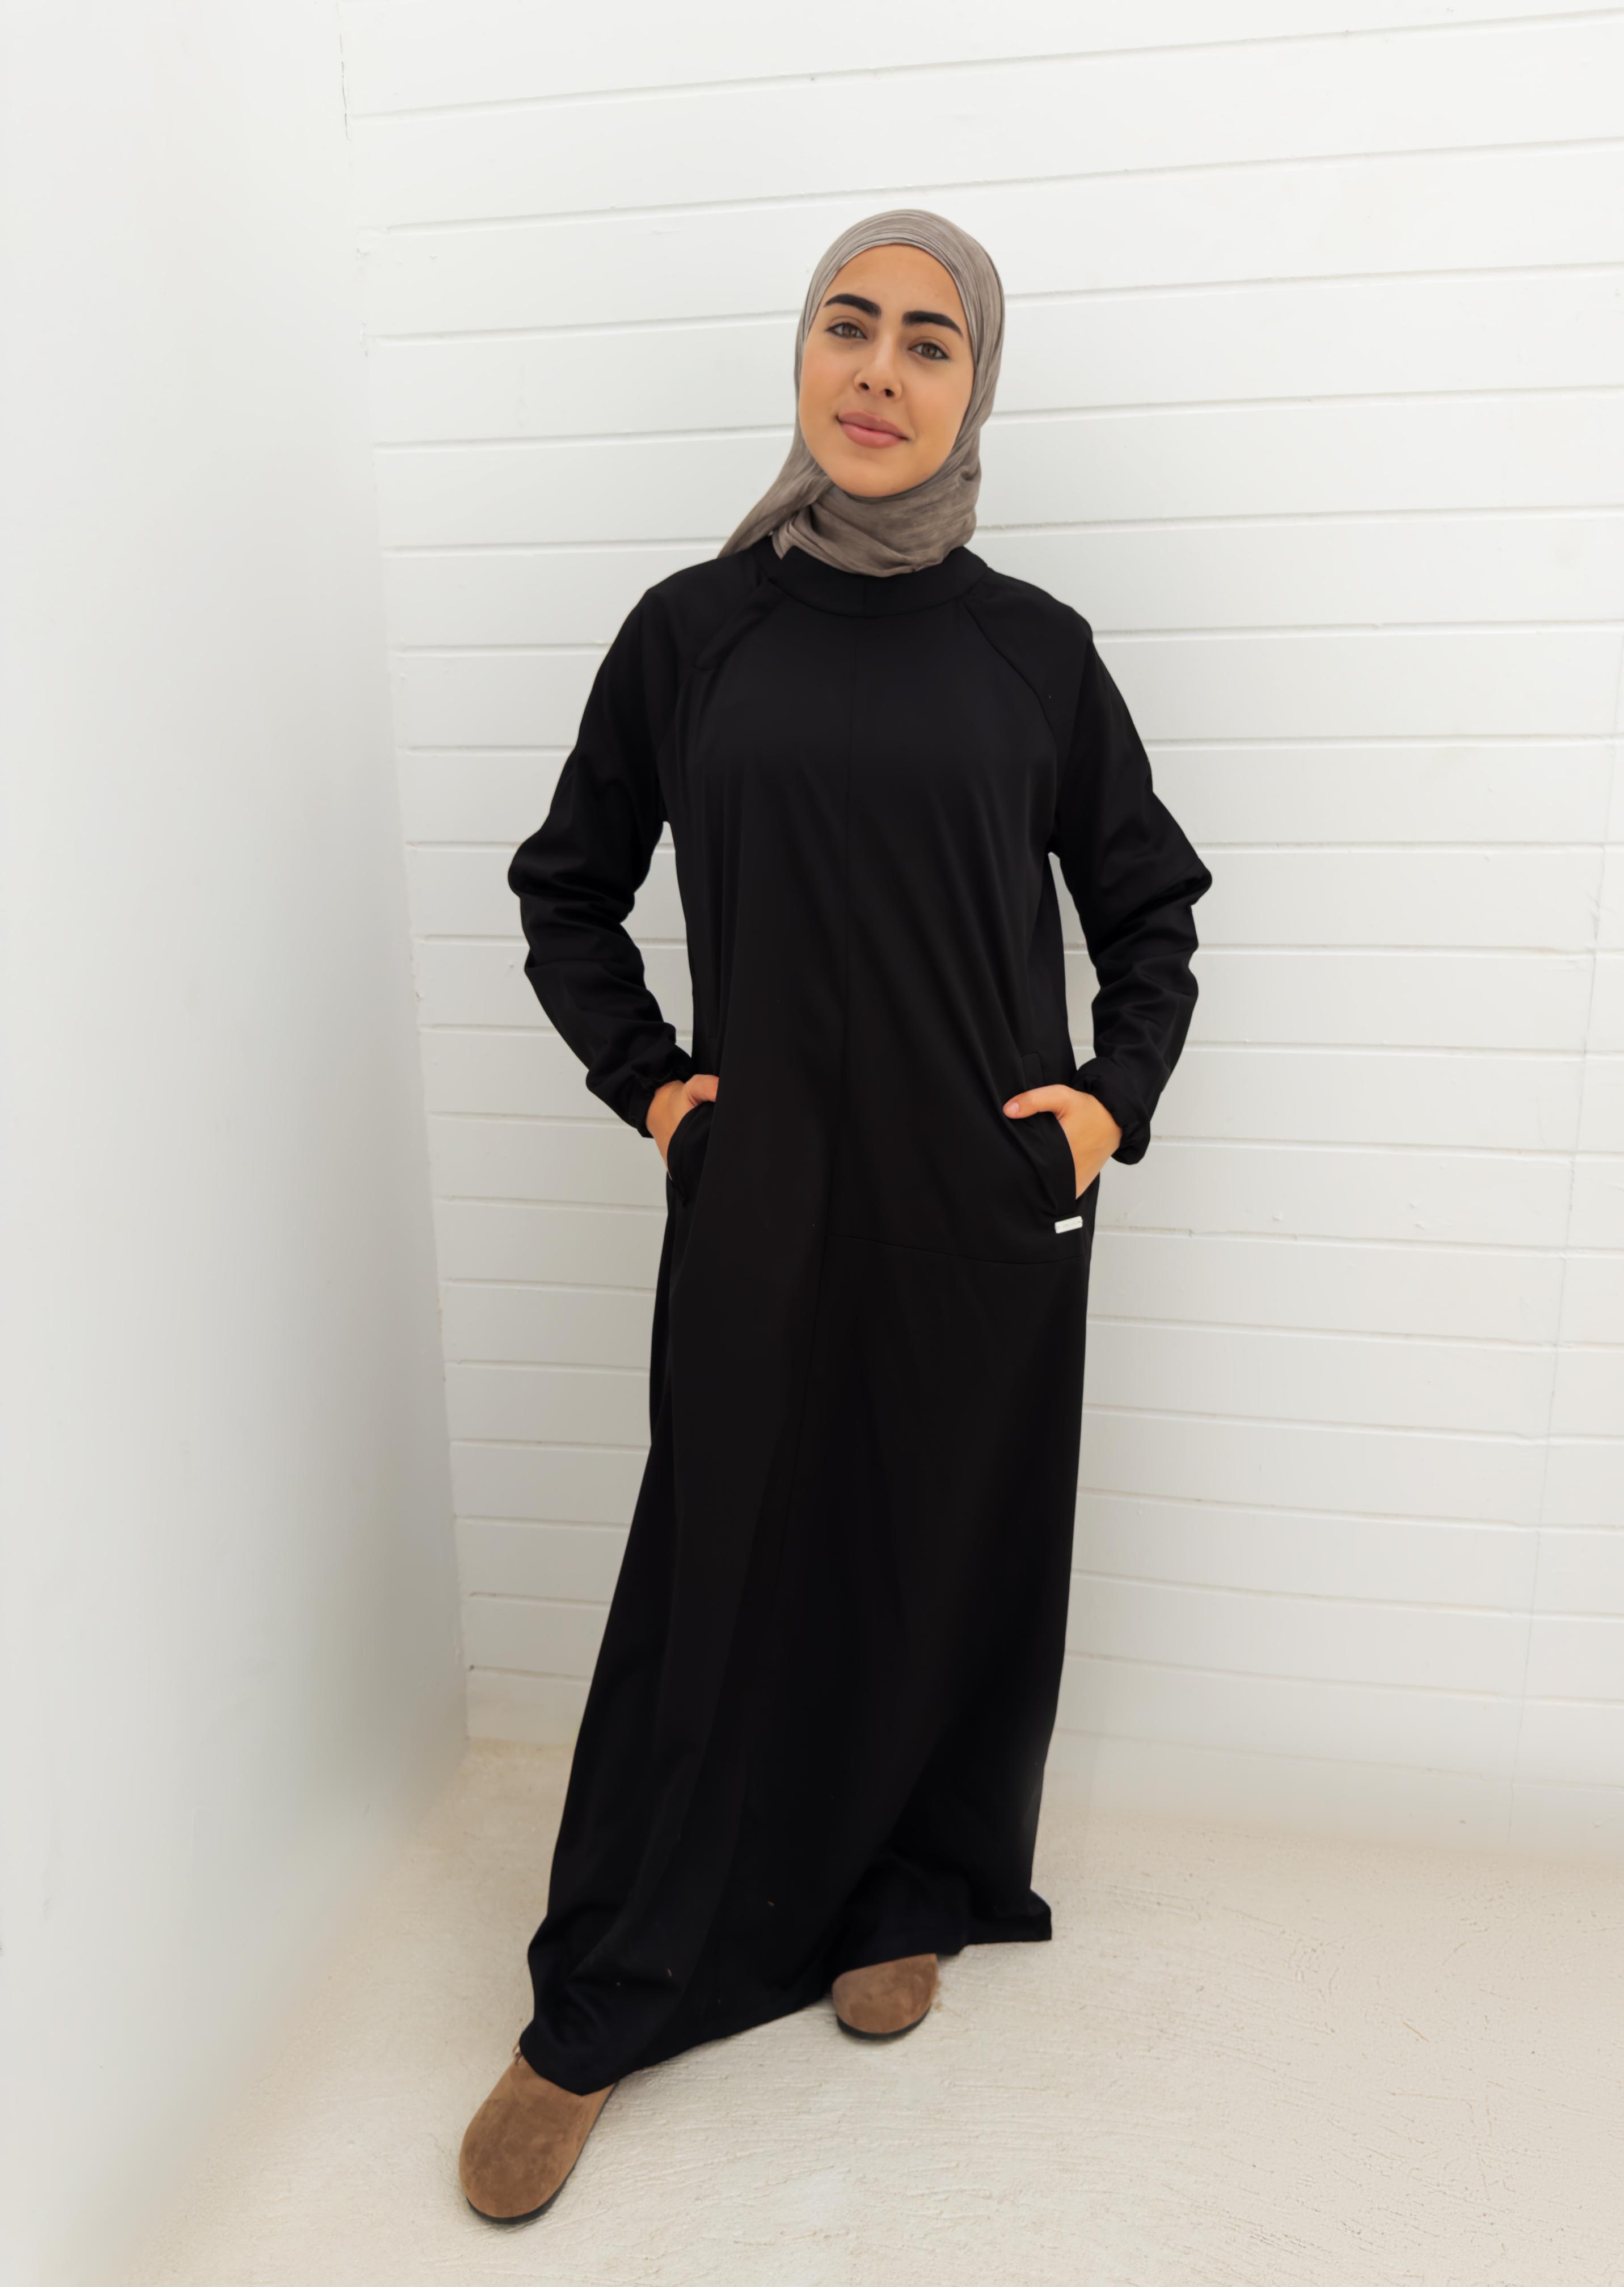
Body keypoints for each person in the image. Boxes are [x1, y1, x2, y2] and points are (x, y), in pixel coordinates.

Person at [458, 209, 1211, 2224]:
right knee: (720, 1567)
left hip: (981, 1209)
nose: (880, 369)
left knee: (937, 1548)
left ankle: (906, 1887)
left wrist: (1102, 1111)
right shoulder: (695, 633)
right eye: (847, 326)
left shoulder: (1035, 652)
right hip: (766, 1198)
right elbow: (565, 888)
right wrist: (657, 1087)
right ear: (802, 355)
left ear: (978, 386)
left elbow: (1151, 910)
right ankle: (607, 1995)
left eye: (929, 341)